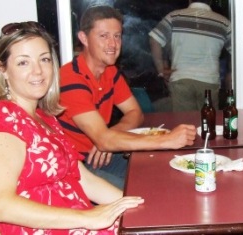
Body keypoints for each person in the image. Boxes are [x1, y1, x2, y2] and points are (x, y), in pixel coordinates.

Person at [0, 21, 144, 234]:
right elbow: (0, 206)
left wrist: (139, 206)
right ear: (3, 70)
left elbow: (83, 179)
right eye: (23, 63)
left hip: (77, 220)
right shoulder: (1, 117)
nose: (38, 71)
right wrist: (88, 217)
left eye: (44, 60)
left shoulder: (46, 119)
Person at [58, 6, 196, 189]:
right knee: (142, 195)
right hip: (76, 168)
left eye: (117, 36)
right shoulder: (70, 78)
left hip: (101, 156)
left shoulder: (110, 71)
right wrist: (166, 140)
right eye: (103, 36)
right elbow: (103, 139)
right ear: (83, 38)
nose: (113, 44)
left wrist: (109, 137)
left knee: (165, 174)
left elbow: (135, 113)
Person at [148, 0, 231, 111]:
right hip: (209, 81)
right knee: (208, 124)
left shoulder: (174, 16)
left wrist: (161, 70)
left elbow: (154, 40)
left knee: (184, 124)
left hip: (181, 79)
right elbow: (236, 51)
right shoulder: (224, 23)